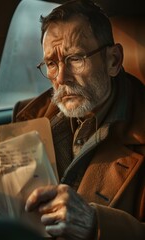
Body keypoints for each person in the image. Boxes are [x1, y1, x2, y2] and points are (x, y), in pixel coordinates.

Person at [13, 0, 145, 239]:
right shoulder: (29, 117)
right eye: (51, 64)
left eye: (75, 59)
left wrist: (95, 224)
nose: (61, 78)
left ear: (113, 61)